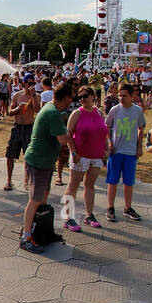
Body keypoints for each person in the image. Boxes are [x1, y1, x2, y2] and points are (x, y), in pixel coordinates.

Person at [17, 84, 70, 252]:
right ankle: (26, 237)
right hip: (39, 162)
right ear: (67, 98)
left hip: (43, 161)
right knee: (35, 199)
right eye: (72, 97)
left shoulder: (51, 107)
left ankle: (43, 231)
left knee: (42, 198)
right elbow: (62, 140)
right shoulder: (53, 113)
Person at [66, 88, 110, 230]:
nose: (82, 99)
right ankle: (68, 217)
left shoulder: (99, 112)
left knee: (90, 185)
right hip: (80, 156)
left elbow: (103, 133)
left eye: (85, 96)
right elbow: (68, 134)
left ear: (93, 96)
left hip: (96, 156)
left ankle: (89, 214)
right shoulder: (77, 113)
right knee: (73, 185)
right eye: (80, 97)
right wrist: (73, 152)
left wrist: (107, 150)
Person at [105, 84, 146, 222]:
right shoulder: (114, 110)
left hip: (130, 151)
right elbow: (107, 126)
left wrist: (139, 147)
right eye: (120, 95)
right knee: (112, 180)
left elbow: (141, 129)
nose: (121, 98)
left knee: (128, 182)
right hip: (116, 151)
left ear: (132, 96)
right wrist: (110, 142)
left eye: (124, 96)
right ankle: (110, 207)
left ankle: (127, 208)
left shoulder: (137, 111)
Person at [2, 78, 39, 191]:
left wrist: (33, 96)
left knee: (29, 156)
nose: (31, 86)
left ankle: (27, 180)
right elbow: (9, 112)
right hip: (17, 127)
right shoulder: (17, 95)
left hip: (29, 128)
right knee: (10, 154)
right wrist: (18, 108)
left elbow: (37, 110)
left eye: (33, 83)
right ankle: (9, 180)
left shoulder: (37, 96)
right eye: (29, 83)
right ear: (24, 83)